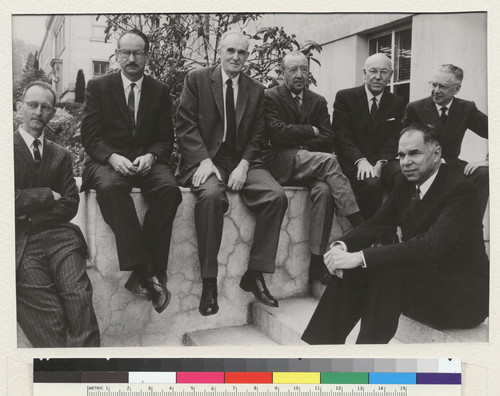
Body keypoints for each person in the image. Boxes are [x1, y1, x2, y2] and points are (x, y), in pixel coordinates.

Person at [301, 124, 489, 344]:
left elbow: (429, 245)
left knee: (388, 272)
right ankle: (319, 348)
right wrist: (341, 246)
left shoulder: (460, 190)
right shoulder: (406, 183)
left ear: (436, 154)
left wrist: (360, 257)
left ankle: (365, 361)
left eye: (414, 153)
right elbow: (377, 224)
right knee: (354, 269)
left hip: (463, 298)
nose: (405, 162)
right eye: (401, 155)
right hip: (422, 284)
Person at [176, 31, 288, 316]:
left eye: (241, 52)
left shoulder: (255, 89)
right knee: (212, 196)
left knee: (276, 196)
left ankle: (255, 273)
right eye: (230, 51)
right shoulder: (197, 79)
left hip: (240, 161)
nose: (236, 57)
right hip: (206, 160)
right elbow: (185, 124)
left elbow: (258, 134)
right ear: (221, 53)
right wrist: (202, 160)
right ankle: (209, 282)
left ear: (247, 57)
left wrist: (245, 164)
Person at [81, 29, 182, 314]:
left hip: (146, 161)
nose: (131, 58)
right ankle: (150, 272)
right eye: (125, 52)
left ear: (147, 56)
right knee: (111, 188)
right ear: (117, 55)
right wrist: (111, 157)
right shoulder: (98, 87)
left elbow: (166, 137)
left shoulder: (159, 91)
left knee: (170, 190)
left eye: (138, 52)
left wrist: (152, 155)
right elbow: (89, 136)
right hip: (106, 161)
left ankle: (141, 275)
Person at [263, 51, 363, 285]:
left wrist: (297, 136)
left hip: (309, 166)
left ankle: (317, 263)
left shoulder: (317, 101)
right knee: (329, 161)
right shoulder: (270, 97)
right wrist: (310, 131)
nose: (299, 75)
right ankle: (360, 225)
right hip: (282, 162)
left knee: (325, 192)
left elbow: (328, 139)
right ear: (282, 72)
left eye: (304, 69)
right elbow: (275, 132)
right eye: (293, 70)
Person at [15, 81, 100, 347]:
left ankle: (90, 374)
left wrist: (28, 212)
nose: (38, 112)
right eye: (32, 105)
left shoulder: (61, 155)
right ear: (20, 108)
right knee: (49, 318)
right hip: (21, 243)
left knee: (80, 301)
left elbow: (70, 204)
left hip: (61, 238)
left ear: (53, 112)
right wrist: (45, 196)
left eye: (45, 107)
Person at [404, 64, 488, 216]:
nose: (436, 91)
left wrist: (488, 160)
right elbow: (405, 144)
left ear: (457, 89)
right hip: (425, 165)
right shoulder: (415, 108)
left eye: (442, 86)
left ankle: (470, 226)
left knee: (483, 173)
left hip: (452, 165)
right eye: (434, 84)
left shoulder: (466, 108)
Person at [332, 53, 405, 221]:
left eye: (384, 72)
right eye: (373, 71)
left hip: (384, 160)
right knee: (371, 183)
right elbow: (341, 135)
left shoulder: (397, 102)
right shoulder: (345, 98)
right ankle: (374, 235)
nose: (378, 77)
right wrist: (360, 160)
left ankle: (398, 229)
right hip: (354, 161)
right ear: (364, 73)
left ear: (391, 76)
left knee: (404, 176)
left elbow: (396, 137)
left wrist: (382, 162)